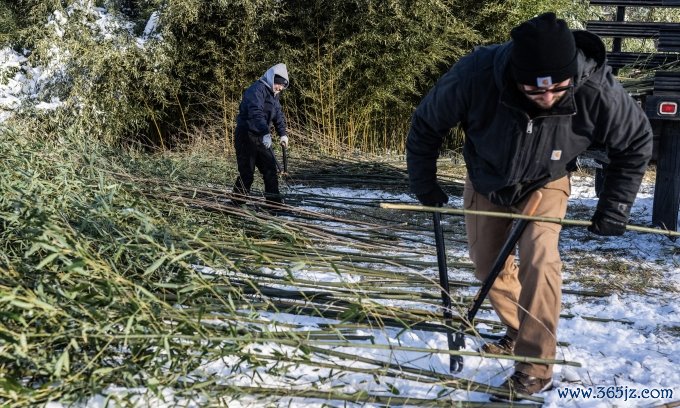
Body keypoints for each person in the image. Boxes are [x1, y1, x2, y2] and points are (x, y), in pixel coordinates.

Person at [406, 12, 652, 401]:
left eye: (558, 88)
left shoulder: (597, 88)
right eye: (535, 91)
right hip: (487, 177)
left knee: (540, 257)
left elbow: (636, 142)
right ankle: (519, 330)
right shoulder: (476, 73)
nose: (548, 97)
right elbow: (426, 124)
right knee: (487, 264)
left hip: (547, 179)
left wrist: (616, 206)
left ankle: (536, 367)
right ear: (515, 76)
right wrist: (424, 183)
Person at [233, 63, 290, 206]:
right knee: (247, 173)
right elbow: (255, 113)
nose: (280, 88)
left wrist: (282, 134)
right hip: (246, 135)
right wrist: (265, 132)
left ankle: (274, 205)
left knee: (270, 169)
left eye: (283, 86)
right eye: (278, 84)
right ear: (272, 79)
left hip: (261, 137)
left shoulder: (274, 95)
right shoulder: (256, 90)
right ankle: (236, 204)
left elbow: (278, 115)